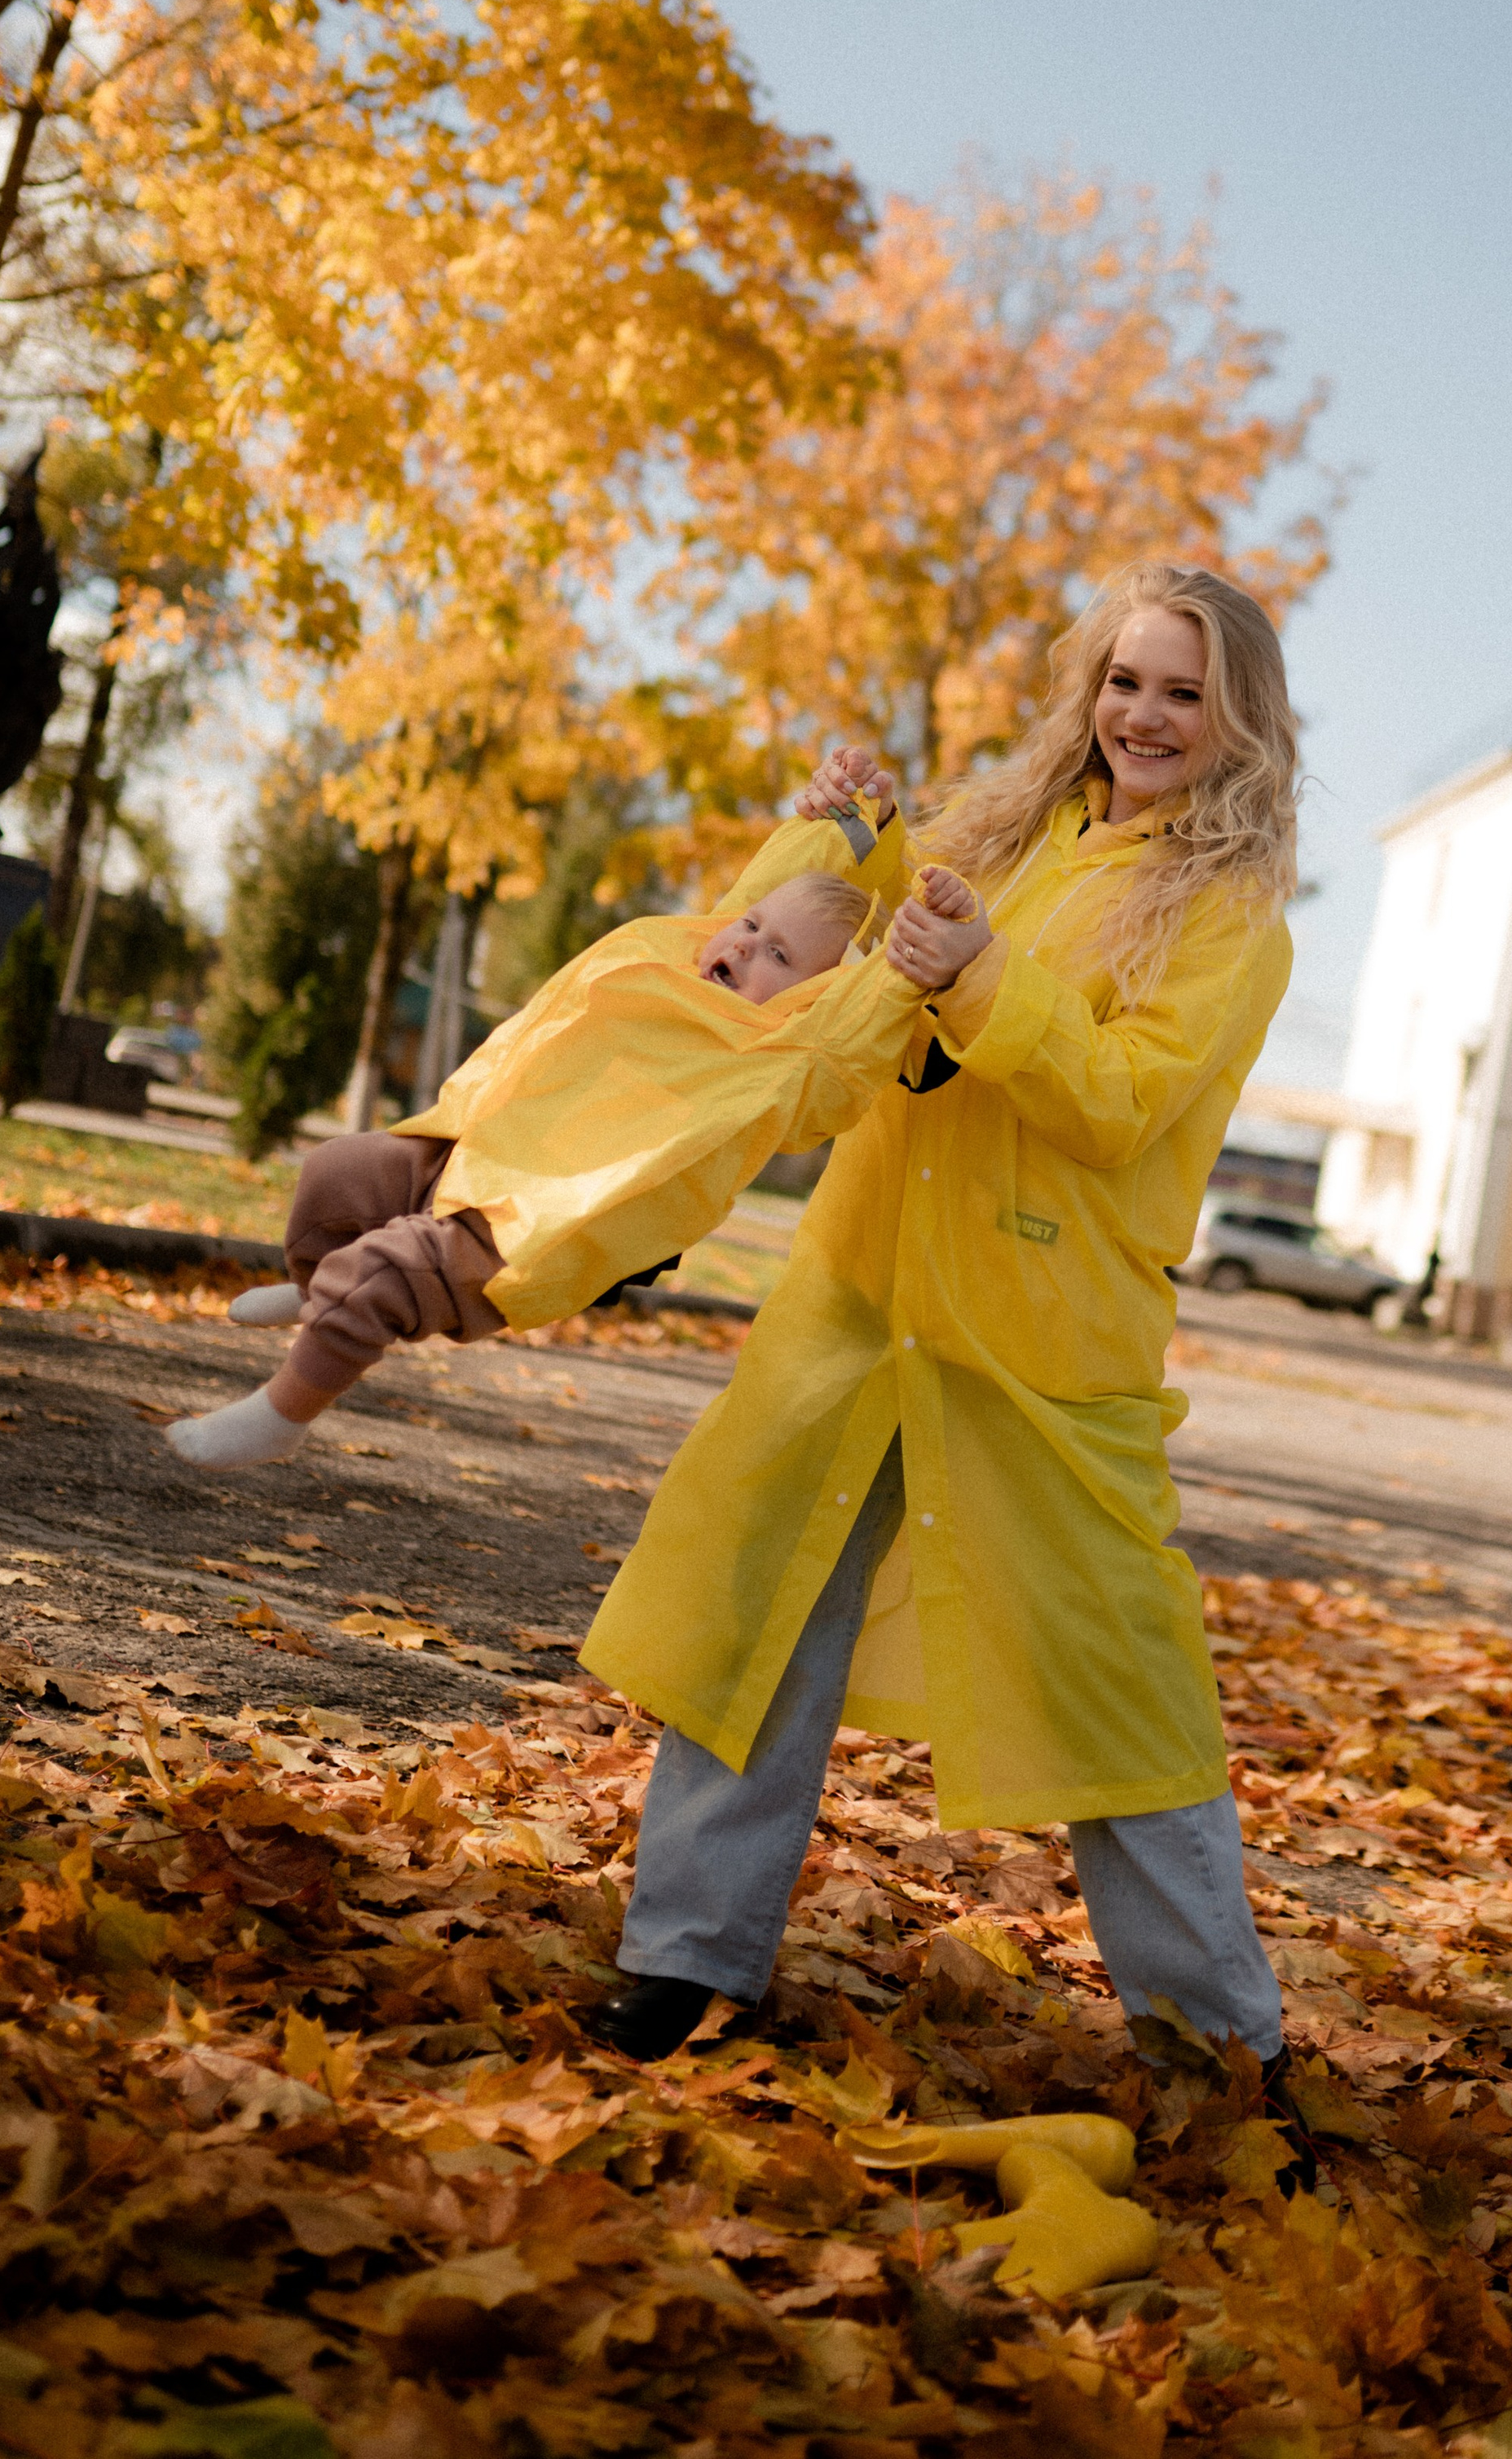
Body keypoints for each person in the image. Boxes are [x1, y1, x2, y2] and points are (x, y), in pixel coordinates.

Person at [584, 562, 1315, 2162]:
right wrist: (843, 829)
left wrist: (979, 969)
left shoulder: (1230, 917)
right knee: (755, 1616)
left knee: (1113, 1686)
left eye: (1182, 692)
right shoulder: (1002, 834)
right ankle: (685, 1963)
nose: (1143, 714)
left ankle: (1221, 2052)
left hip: (1040, 1346)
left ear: (1237, 717)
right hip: (859, 1291)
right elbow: (834, 963)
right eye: (1125, 679)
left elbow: (1118, 1095)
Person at [161, 829, 978, 1469]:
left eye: (779, 956)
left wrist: (920, 948)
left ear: (814, 1002)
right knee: (335, 1178)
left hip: (539, 1229)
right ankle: (314, 1299)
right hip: (472, 1146)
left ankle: (281, 1415)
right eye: (750, 927)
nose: (745, 945)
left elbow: (858, 1030)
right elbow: (759, 893)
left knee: (381, 1277)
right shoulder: (673, 965)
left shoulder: (789, 1062)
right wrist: (840, 820)